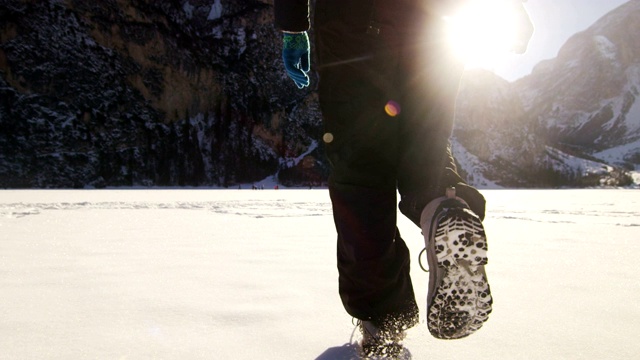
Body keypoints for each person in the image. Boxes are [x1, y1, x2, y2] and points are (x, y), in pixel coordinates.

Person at [273, 0, 533, 356]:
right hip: (438, 25)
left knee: (361, 173)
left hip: (352, 26)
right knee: (426, 144)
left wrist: (292, 25)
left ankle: (383, 327)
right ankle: (441, 205)